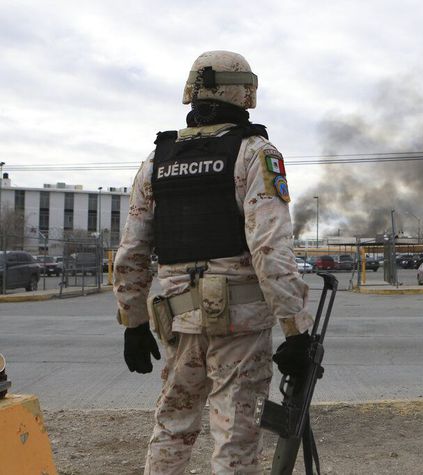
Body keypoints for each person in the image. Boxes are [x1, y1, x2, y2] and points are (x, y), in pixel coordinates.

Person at [113, 50, 313, 474]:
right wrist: (296, 330)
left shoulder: (156, 162)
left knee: (172, 426)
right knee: (236, 435)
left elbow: (131, 252)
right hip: (238, 325)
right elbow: (270, 249)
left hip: (176, 319)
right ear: (244, 92)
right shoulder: (254, 152)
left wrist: (132, 323)